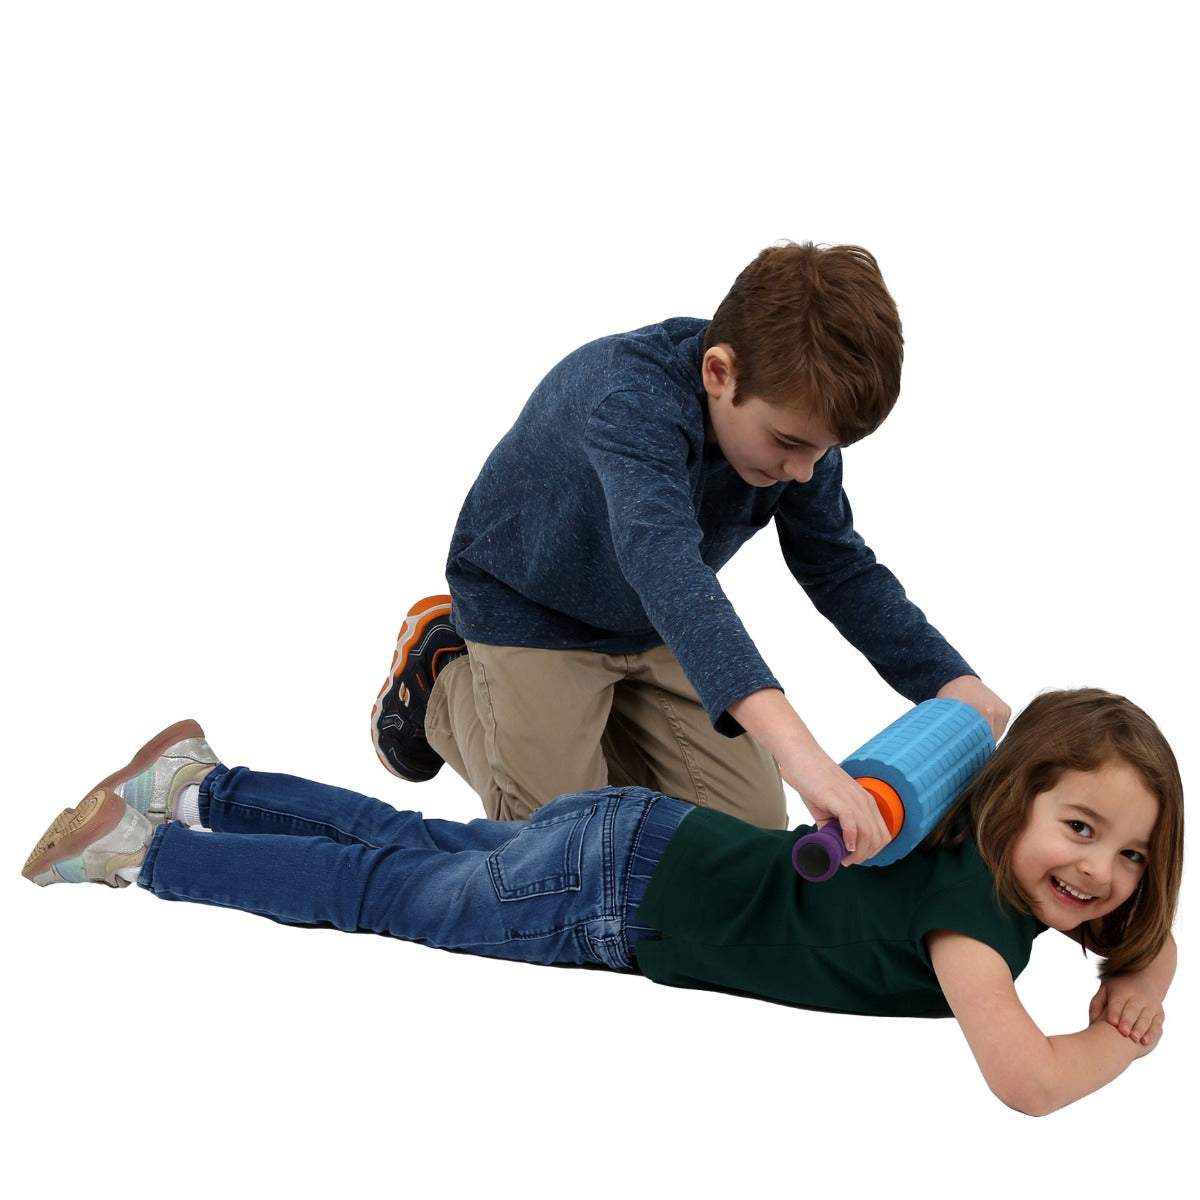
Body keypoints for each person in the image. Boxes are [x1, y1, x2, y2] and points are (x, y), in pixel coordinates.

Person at [24, 687, 1182, 1115]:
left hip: (645, 835)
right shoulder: (973, 927)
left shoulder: (965, 846)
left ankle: (203, 783)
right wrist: (1121, 1039)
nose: (1099, 872)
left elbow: (1139, 929)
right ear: (1016, 802)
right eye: (1079, 829)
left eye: (1133, 854)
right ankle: (143, 852)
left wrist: (1148, 967)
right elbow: (1029, 1082)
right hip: (616, 899)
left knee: (413, 844)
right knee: (382, 890)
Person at [371, 242, 1008, 857]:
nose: (804, 471)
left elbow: (839, 566)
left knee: (747, 838)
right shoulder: (629, 399)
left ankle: (583, 732)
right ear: (718, 373)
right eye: (789, 443)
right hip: (534, 610)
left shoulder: (797, 436)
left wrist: (951, 682)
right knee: (565, 848)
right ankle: (445, 679)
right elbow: (666, 566)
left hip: (651, 623)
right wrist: (804, 758)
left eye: (823, 450)